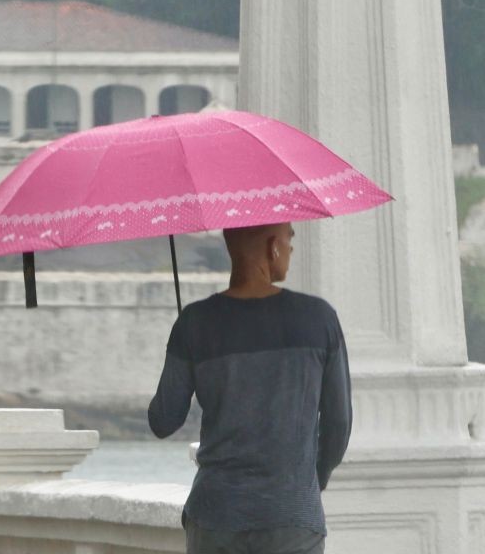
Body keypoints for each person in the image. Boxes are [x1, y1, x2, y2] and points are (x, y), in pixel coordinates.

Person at [148, 222, 352, 554]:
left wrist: (183, 340)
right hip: (292, 520)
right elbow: (339, 423)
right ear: (272, 247)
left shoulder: (195, 322)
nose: (291, 248)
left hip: (215, 516)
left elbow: (163, 420)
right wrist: (311, 481)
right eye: (289, 239)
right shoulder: (319, 318)